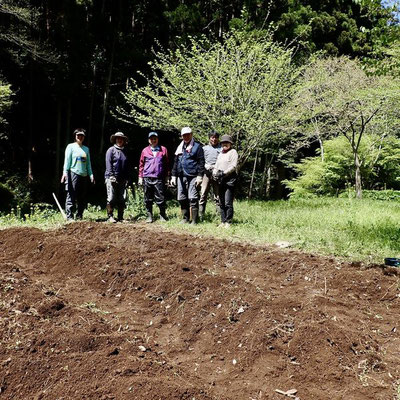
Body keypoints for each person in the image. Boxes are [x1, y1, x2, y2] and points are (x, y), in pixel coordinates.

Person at [171, 127, 205, 224]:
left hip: (193, 176)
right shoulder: (179, 147)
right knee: (181, 198)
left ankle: (194, 220)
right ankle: (185, 218)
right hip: (181, 176)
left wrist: (200, 176)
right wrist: (173, 175)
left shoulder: (198, 147)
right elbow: (176, 162)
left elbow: (201, 162)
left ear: (191, 134)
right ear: (181, 136)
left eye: (188, 134)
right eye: (184, 135)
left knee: (193, 198)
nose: (186, 137)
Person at [61, 128, 95, 221]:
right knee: (71, 194)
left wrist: (91, 174)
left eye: (82, 136)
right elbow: (67, 161)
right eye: (78, 135)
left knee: (82, 196)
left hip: (83, 175)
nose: (80, 137)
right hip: (73, 173)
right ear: (75, 136)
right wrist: (65, 172)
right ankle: (70, 216)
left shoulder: (86, 149)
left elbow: (88, 163)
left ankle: (79, 215)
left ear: (84, 137)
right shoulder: (70, 147)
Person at [138, 131, 169, 223]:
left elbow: (167, 164)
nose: (153, 140)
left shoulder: (163, 150)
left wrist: (167, 176)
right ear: (149, 140)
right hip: (147, 177)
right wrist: (140, 177)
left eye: (155, 138)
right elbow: (141, 165)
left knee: (160, 198)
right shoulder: (145, 151)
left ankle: (162, 215)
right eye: (151, 139)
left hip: (159, 177)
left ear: (157, 139)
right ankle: (149, 216)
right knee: (148, 198)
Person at [212, 134, 238, 228]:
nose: (225, 144)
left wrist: (223, 173)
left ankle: (228, 221)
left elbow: (233, 166)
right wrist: (214, 173)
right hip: (220, 180)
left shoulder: (233, 152)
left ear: (230, 143)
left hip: (230, 179)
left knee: (228, 202)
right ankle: (222, 221)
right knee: (221, 201)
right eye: (223, 143)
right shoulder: (220, 153)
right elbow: (216, 165)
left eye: (226, 142)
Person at [105, 131, 130, 223]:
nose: (119, 140)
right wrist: (111, 175)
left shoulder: (125, 151)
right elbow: (108, 163)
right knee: (111, 197)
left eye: (121, 139)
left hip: (122, 178)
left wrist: (127, 178)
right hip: (111, 177)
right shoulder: (110, 150)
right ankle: (110, 216)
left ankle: (120, 217)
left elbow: (127, 166)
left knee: (122, 198)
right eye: (118, 138)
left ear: (123, 140)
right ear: (115, 140)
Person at [199, 131, 221, 220]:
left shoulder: (221, 149)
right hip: (206, 174)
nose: (214, 139)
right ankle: (201, 216)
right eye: (212, 137)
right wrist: (205, 166)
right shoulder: (204, 149)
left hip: (217, 174)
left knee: (218, 196)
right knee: (203, 194)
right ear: (209, 138)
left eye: (216, 137)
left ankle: (219, 216)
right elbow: (200, 160)